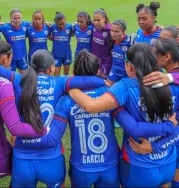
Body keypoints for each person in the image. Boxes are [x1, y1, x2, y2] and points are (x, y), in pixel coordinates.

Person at [15, 50, 177, 188]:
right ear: (98, 70)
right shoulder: (111, 95)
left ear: (74, 73)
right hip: (110, 164)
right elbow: (133, 124)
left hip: (82, 166)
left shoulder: (67, 99)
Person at [69, 43, 179, 187]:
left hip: (139, 167)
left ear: (130, 66)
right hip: (168, 163)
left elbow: (91, 106)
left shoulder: (125, 86)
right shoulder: (171, 83)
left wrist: (71, 88)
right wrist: (157, 145)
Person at [0, 39, 49, 188]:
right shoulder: (2, 84)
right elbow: (15, 128)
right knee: (21, 171)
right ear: (5, 58)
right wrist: (45, 130)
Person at [131, 38, 179, 187]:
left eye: (155, 55)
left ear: (167, 56)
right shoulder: (166, 77)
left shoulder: (170, 80)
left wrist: (154, 147)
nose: (152, 58)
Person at [0, 9, 30, 73]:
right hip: (10, 58)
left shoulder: (25, 24)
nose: (17, 20)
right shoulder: (5, 27)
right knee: (11, 77)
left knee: (24, 77)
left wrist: (45, 22)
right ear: (11, 18)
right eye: (15, 18)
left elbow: (37, 22)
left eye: (19, 18)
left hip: (22, 56)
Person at [107, 19, 131, 85]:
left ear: (123, 32)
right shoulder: (111, 40)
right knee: (107, 87)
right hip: (114, 71)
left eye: (116, 31)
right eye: (111, 30)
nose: (113, 34)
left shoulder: (129, 42)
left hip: (126, 74)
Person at [50, 12, 72, 76]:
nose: (62, 26)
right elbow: (48, 35)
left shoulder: (70, 27)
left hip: (67, 55)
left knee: (66, 76)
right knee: (56, 77)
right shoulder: (52, 27)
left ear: (65, 20)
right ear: (55, 22)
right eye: (59, 24)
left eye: (63, 24)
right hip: (56, 55)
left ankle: (65, 86)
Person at [91, 8, 112, 76]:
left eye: (98, 20)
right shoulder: (93, 27)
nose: (96, 22)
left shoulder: (110, 30)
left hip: (105, 62)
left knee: (103, 81)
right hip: (94, 60)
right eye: (94, 20)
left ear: (104, 19)